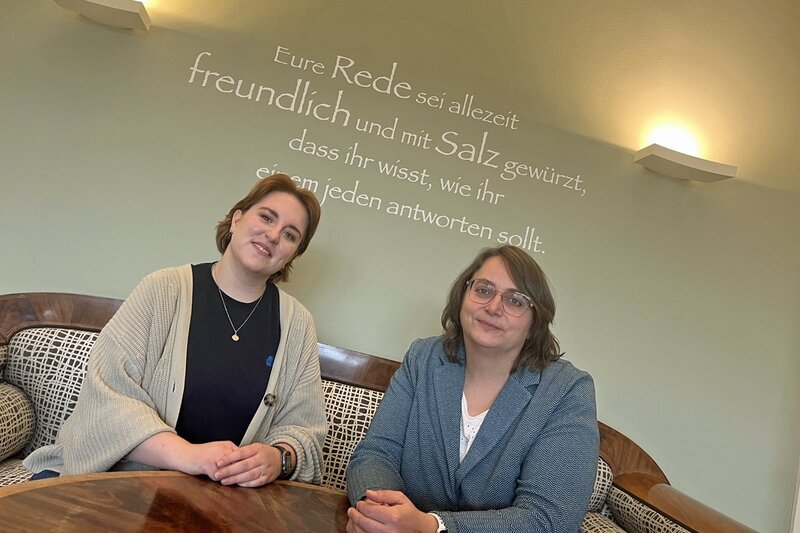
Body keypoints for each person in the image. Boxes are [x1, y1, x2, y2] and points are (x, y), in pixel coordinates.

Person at [25, 173, 327, 487]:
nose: (273, 235)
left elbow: (305, 430)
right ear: (237, 220)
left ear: (292, 255)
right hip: (115, 483)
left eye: (290, 235)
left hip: (221, 499)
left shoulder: (297, 324)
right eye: (266, 217)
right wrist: (189, 455)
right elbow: (107, 395)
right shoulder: (163, 289)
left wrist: (279, 457)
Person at [345, 245, 599, 532]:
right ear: (463, 296)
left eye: (515, 300)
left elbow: (549, 519)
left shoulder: (567, 390)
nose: (493, 307)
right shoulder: (423, 358)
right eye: (483, 290)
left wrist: (431, 527)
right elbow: (377, 454)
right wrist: (379, 517)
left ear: (535, 322)